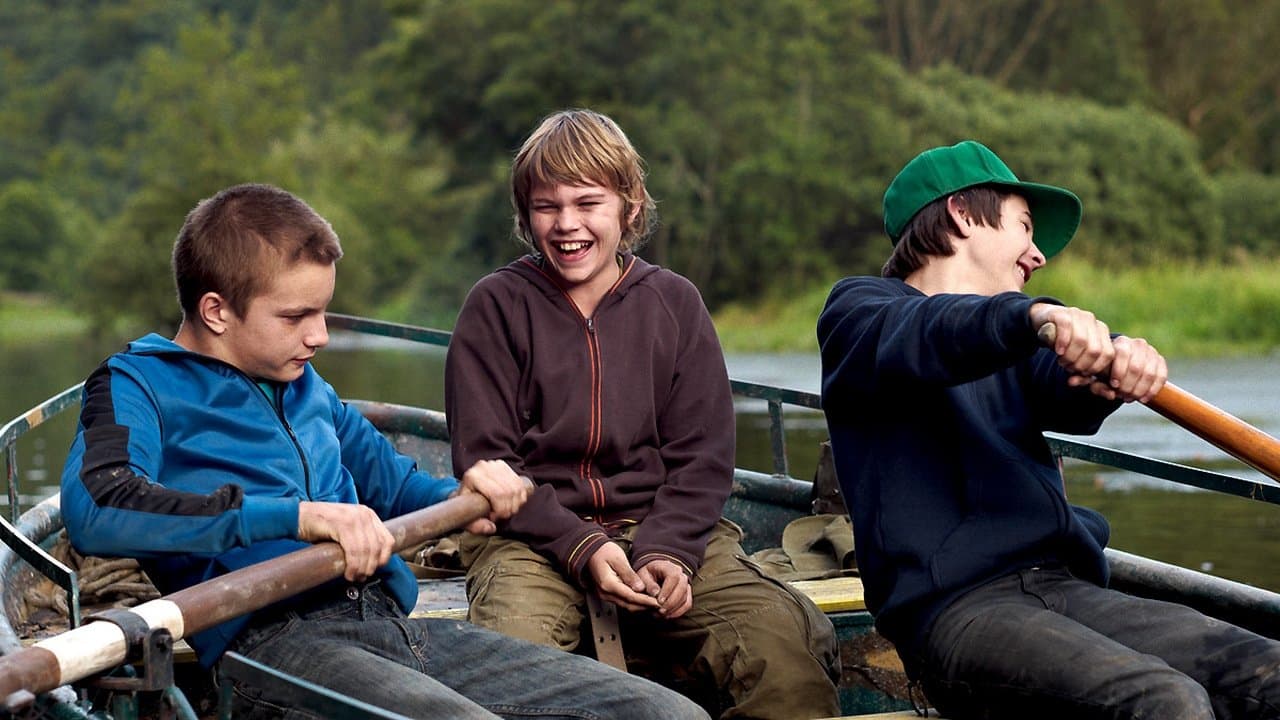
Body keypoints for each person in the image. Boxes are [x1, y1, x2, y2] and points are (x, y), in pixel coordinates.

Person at [59, 183, 710, 720]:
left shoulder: (307, 388)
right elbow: (98, 506)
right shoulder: (135, 385)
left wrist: (473, 498)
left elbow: (399, 488)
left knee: (669, 715)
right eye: (295, 317)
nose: (318, 337)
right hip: (271, 645)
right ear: (216, 311)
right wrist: (297, 516)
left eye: (324, 314)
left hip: (393, 626)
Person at [817, 140, 1280, 720]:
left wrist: (1116, 362)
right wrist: (1035, 317)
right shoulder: (861, 312)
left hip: (1062, 589)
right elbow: (935, 331)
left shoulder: (1022, 333)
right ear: (962, 213)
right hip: (955, 615)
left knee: (1270, 672)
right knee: (1166, 702)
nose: (1037, 256)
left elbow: (1063, 388)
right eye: (1026, 227)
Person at [445, 109, 841, 719]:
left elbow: (703, 458)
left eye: (587, 202)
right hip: (532, 540)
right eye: (546, 206)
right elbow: (488, 462)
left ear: (628, 207)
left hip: (669, 528)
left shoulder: (674, 302)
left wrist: (668, 552)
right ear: (525, 216)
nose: (567, 224)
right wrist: (580, 546)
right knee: (506, 666)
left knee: (781, 654)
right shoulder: (495, 306)